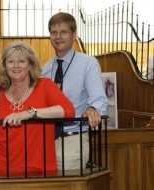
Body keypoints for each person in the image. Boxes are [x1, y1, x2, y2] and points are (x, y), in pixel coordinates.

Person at [0, 41, 75, 177]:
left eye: (21, 61)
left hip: (37, 167)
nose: (16, 66)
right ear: (5, 66)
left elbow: (68, 110)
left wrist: (29, 113)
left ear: (30, 65)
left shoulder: (45, 86)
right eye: (11, 61)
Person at [41, 12, 108, 170]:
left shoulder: (88, 63)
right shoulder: (46, 67)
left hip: (72, 139)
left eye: (64, 32)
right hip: (47, 140)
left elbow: (99, 98)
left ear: (74, 35)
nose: (58, 36)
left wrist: (92, 109)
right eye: (53, 32)